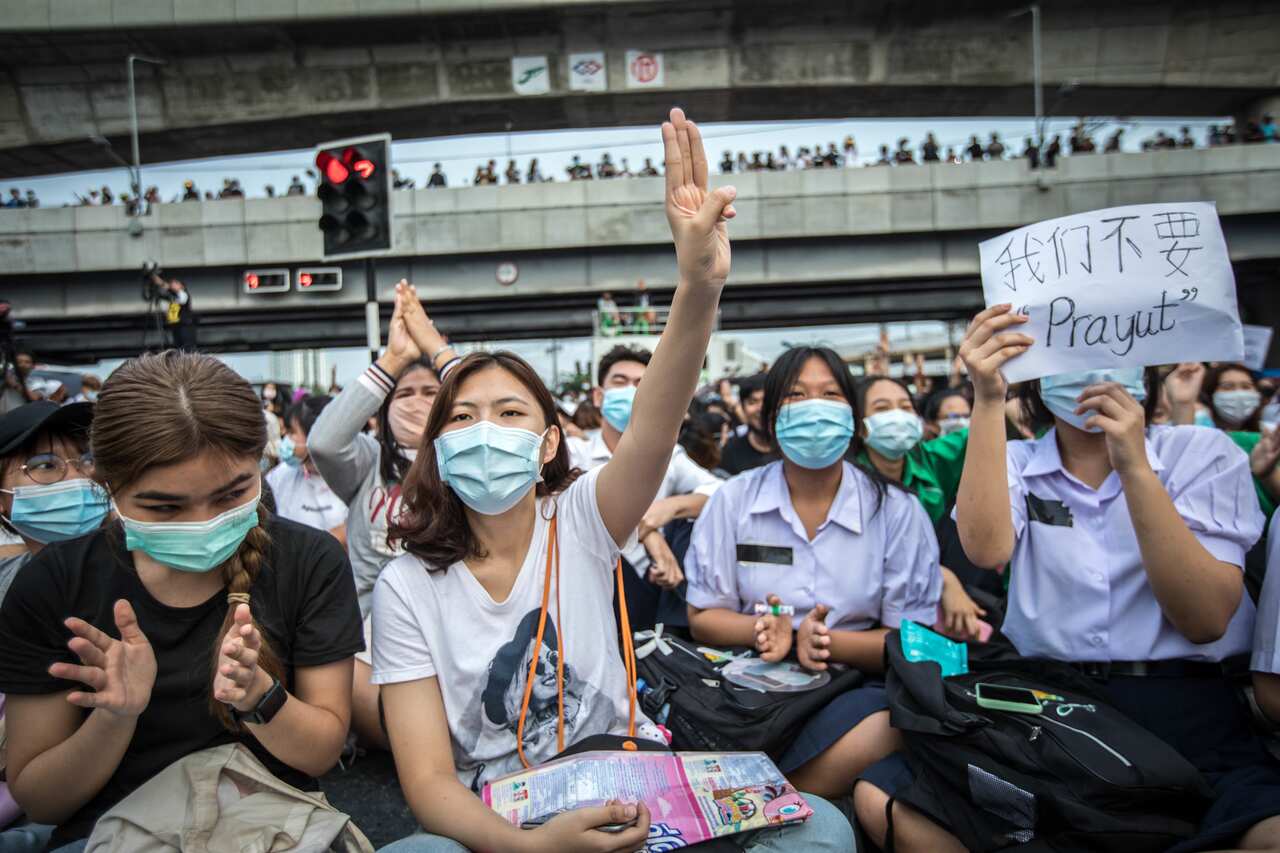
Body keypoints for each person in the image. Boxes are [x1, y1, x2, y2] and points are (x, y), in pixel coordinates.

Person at [372, 107, 853, 853]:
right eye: (461, 418)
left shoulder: (584, 519)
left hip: (633, 790)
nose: (485, 431)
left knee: (820, 828)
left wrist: (697, 288)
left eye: (508, 412)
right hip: (503, 821)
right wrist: (534, 846)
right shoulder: (406, 585)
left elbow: (657, 421)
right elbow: (431, 782)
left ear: (549, 445)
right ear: (436, 446)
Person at [854, 304, 1280, 852]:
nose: (1090, 369)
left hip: (1185, 708)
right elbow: (985, 549)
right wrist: (987, 399)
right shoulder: (1016, 460)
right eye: (1069, 351)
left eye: (1109, 350)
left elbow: (1203, 618)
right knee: (885, 796)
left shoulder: (1202, 453)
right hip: (1050, 706)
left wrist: (1134, 468)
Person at [0, 351, 364, 851]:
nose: (201, 522)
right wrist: (114, 717)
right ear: (109, 486)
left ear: (259, 465)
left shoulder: (309, 561)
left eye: (231, 494)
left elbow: (320, 751)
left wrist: (260, 696)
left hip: (277, 825)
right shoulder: (54, 584)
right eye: (165, 507)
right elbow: (42, 800)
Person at [685, 346, 942, 800]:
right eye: (797, 395)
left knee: (893, 725)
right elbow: (704, 615)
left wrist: (825, 642)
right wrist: (764, 630)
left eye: (830, 394)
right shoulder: (733, 501)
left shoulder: (898, 511)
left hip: (853, 688)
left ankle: (765, 803)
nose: (814, 408)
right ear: (770, 416)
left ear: (853, 416)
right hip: (749, 687)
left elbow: (913, 640)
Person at [308, 281, 458, 749]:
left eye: (431, 392)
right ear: (383, 408)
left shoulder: (469, 462)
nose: (417, 402)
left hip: (451, 619)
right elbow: (323, 442)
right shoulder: (367, 462)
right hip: (371, 630)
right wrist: (391, 360)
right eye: (404, 394)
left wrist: (437, 349)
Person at [0, 400, 104, 852]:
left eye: (87, 459)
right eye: (44, 465)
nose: (77, 478)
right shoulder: (9, 586)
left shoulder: (145, 578)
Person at [567, 344, 721, 629]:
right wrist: (647, 533)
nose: (631, 391)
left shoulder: (669, 457)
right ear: (599, 397)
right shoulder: (574, 453)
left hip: (645, 594)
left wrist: (666, 508)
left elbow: (720, 493)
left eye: (641, 384)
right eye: (620, 382)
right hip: (578, 586)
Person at [853, 376, 988, 639]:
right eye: (882, 409)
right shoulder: (844, 479)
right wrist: (941, 577)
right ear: (860, 426)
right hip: (869, 616)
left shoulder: (931, 460)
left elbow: (984, 432)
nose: (897, 417)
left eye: (905, 407)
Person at [265, 395, 347, 546]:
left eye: (292, 432)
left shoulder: (353, 477)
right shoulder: (280, 476)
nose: (286, 439)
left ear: (316, 437)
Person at [719, 373, 777, 475]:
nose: (761, 409)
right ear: (742, 407)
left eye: (767, 401)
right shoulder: (730, 453)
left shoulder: (795, 449)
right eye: (752, 402)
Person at [1204, 363, 1264, 432]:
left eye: (1246, 387)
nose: (1239, 394)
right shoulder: (1200, 430)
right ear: (1211, 393)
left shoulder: (1268, 433)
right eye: (1227, 387)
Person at [148, 271, 197, 351]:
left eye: (176, 283)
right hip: (176, 326)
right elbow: (167, 292)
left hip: (185, 326)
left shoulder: (183, 294)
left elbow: (179, 298)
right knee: (178, 348)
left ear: (182, 286)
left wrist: (165, 285)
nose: (172, 284)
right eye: (172, 283)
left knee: (187, 349)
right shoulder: (173, 296)